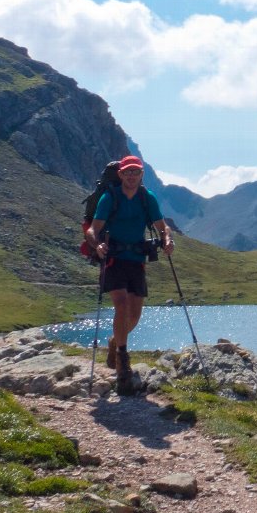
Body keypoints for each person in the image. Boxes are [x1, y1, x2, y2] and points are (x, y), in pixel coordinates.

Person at [83, 155, 174, 389]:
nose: (131, 176)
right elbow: (94, 229)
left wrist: (167, 239)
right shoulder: (109, 197)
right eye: (127, 172)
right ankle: (123, 363)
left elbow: (162, 227)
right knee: (121, 305)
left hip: (136, 259)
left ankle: (115, 341)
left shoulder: (147, 198)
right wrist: (97, 244)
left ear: (141, 174)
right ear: (121, 174)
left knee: (134, 314)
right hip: (113, 258)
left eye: (136, 172)